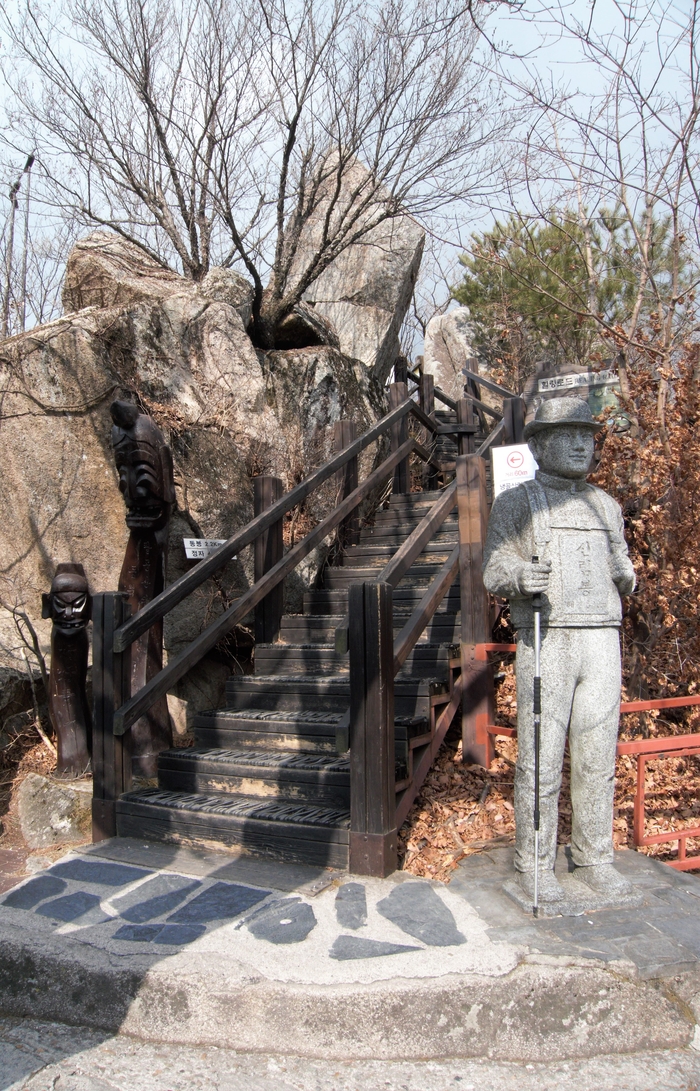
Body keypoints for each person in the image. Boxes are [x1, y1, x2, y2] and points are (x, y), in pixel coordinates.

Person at [482, 396, 636, 902]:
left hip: (601, 638)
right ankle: (535, 862)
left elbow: (624, 568)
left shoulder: (606, 505)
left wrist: (626, 576)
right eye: (567, 435)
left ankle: (594, 856)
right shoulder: (518, 502)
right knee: (542, 755)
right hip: (547, 638)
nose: (580, 445)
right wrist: (521, 575)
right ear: (540, 444)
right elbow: (494, 568)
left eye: (587, 436)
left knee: (597, 755)